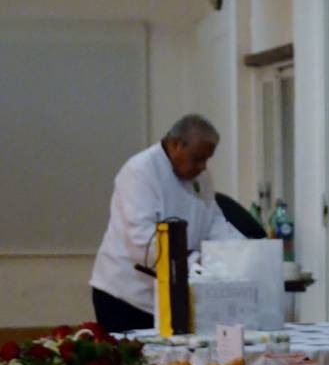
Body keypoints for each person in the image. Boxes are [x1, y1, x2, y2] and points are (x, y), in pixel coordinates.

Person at [90, 114, 244, 332]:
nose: (203, 167)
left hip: (174, 293)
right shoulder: (140, 171)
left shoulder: (200, 178)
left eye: (207, 160)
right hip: (127, 296)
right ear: (175, 145)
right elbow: (143, 241)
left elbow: (215, 223)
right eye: (198, 158)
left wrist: (244, 252)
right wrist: (197, 263)